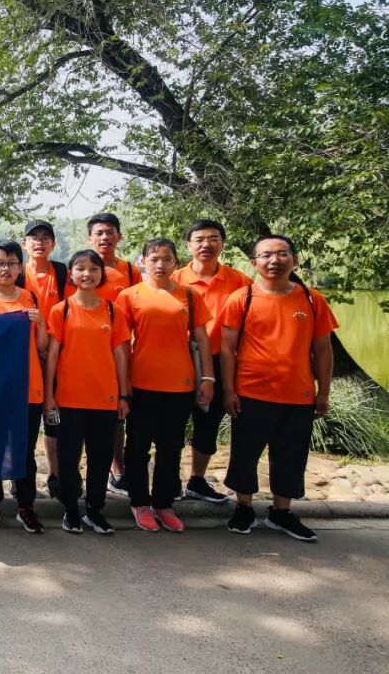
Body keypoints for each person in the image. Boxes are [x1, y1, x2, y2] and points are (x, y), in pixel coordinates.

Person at [220, 235, 337, 542]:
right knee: (245, 454)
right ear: (254, 262)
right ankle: (243, 507)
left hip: (298, 394)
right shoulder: (241, 298)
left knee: (291, 456)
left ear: (294, 260)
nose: (275, 261)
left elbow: (323, 349)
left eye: (282, 254)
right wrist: (229, 390)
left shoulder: (312, 300)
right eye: (266, 255)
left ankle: (281, 512)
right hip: (251, 391)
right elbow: (227, 348)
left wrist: (324, 391)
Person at [116, 238, 214, 533]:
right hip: (141, 383)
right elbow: (121, 345)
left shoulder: (190, 295)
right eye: (154, 258)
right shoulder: (129, 296)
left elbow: (202, 338)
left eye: (167, 259)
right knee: (137, 447)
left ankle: (163, 503)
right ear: (143, 261)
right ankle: (139, 502)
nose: (160, 264)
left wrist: (208, 378)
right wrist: (122, 387)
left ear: (175, 262)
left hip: (180, 384)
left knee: (171, 448)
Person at [44, 249, 132, 535]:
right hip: (69, 398)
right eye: (80, 268)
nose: (87, 274)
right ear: (71, 274)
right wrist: (49, 396)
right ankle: (71, 509)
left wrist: (123, 394)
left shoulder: (113, 311)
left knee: (100, 458)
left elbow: (120, 355)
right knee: (68, 458)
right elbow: (53, 356)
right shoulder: (61, 310)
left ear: (101, 274)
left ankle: (95, 510)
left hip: (104, 398)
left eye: (94, 269)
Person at [0, 241, 50, 533]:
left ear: (19, 267)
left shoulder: (30, 298)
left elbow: (42, 346)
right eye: (0, 263)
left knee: (25, 452)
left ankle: (26, 507)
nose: (6, 268)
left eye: (12, 263)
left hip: (28, 387)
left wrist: (40, 323)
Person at [172, 219, 253, 502]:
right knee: (172, 421)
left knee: (209, 422)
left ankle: (197, 479)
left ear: (222, 244)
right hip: (177, 359)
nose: (206, 244)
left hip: (220, 360)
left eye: (213, 238)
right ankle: (170, 479)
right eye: (199, 239)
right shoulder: (173, 279)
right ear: (189, 245)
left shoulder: (240, 282)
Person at [85, 213, 142, 497]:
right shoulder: (80, 268)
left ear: (119, 236)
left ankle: (117, 469)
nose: (105, 237)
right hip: (84, 354)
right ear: (90, 238)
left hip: (118, 351)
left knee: (117, 413)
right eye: (99, 233)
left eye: (110, 232)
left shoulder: (131, 272)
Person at [22, 220, 73, 500]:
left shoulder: (62, 273)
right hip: (25, 358)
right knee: (25, 422)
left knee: (54, 418)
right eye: (34, 237)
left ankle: (56, 474)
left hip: (56, 355)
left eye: (45, 237)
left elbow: (70, 311)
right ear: (24, 244)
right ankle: (21, 477)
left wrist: (51, 348)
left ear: (53, 243)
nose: (39, 242)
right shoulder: (17, 273)